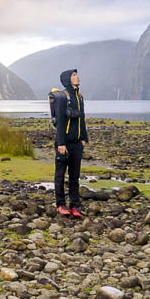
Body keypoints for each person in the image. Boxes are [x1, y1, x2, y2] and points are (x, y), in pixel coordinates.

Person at [52, 68, 88, 217]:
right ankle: (60, 205)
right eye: (74, 75)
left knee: (75, 176)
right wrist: (61, 143)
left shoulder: (80, 97)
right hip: (64, 143)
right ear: (68, 79)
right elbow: (60, 121)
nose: (77, 77)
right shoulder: (62, 97)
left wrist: (84, 138)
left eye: (76, 74)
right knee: (60, 175)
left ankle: (75, 206)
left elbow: (82, 119)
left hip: (77, 144)